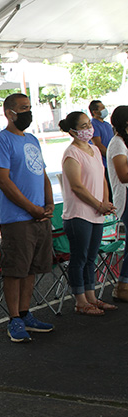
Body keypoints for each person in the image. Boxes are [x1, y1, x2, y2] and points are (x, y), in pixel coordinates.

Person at [0, 92, 55, 342]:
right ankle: (14, 319)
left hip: (39, 217)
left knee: (31, 269)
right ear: (9, 113)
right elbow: (3, 181)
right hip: (17, 219)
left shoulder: (33, 140)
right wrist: (31, 207)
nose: (27, 112)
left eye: (29, 107)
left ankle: (26, 314)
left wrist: (48, 204)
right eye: (22, 109)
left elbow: (43, 175)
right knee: (15, 269)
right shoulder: (1, 141)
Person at [58, 111, 117, 315]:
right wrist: (97, 204)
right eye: (83, 126)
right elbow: (77, 186)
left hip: (96, 213)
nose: (88, 129)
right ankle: (80, 300)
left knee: (91, 257)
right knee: (79, 258)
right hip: (79, 214)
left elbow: (102, 178)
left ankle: (92, 297)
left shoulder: (93, 149)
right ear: (73, 131)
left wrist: (105, 201)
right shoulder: (71, 153)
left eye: (88, 125)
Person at [106, 106, 128, 302]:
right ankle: (122, 286)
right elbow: (123, 175)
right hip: (125, 199)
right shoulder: (117, 144)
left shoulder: (123, 142)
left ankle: (123, 285)